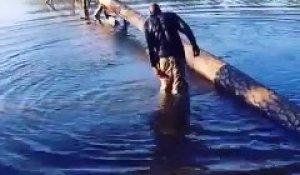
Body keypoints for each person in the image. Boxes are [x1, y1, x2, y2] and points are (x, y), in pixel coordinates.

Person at [144, 3, 200, 95]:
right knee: (179, 87)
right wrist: (194, 45)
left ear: (150, 12)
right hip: (177, 54)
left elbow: (150, 47)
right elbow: (186, 29)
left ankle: (164, 107)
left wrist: (154, 66)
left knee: (165, 85)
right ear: (160, 10)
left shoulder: (147, 23)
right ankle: (180, 107)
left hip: (162, 57)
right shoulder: (171, 16)